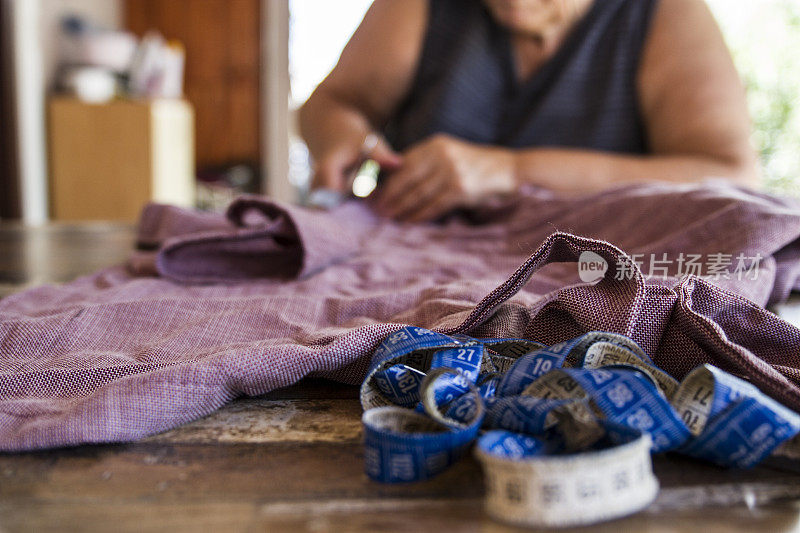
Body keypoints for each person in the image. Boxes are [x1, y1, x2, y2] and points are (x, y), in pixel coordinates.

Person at [299, 0, 759, 222]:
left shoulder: (664, 13)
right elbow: (331, 103)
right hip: (404, 282)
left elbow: (730, 176)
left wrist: (511, 170)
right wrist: (345, 138)